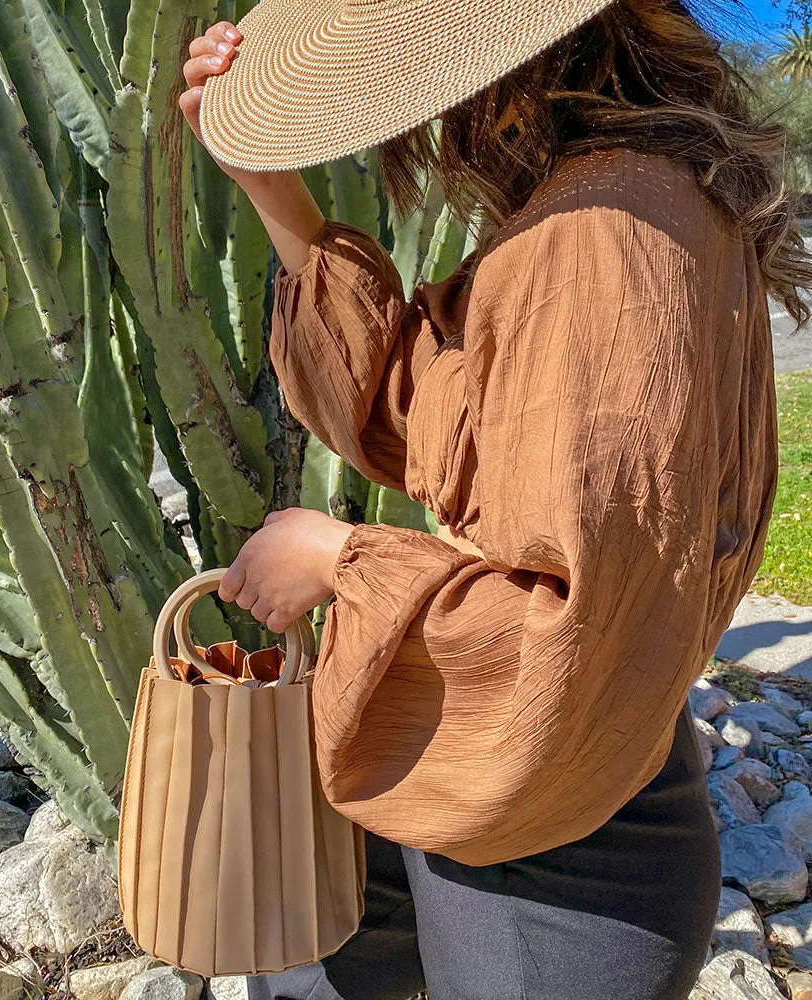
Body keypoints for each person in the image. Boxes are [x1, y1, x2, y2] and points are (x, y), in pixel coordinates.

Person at [178, 2, 811, 998]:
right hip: (519, 787)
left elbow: (575, 619)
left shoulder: (600, 238)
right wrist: (272, 190)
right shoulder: (614, 206)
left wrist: (339, 556)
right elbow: (425, 412)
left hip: (552, 849)